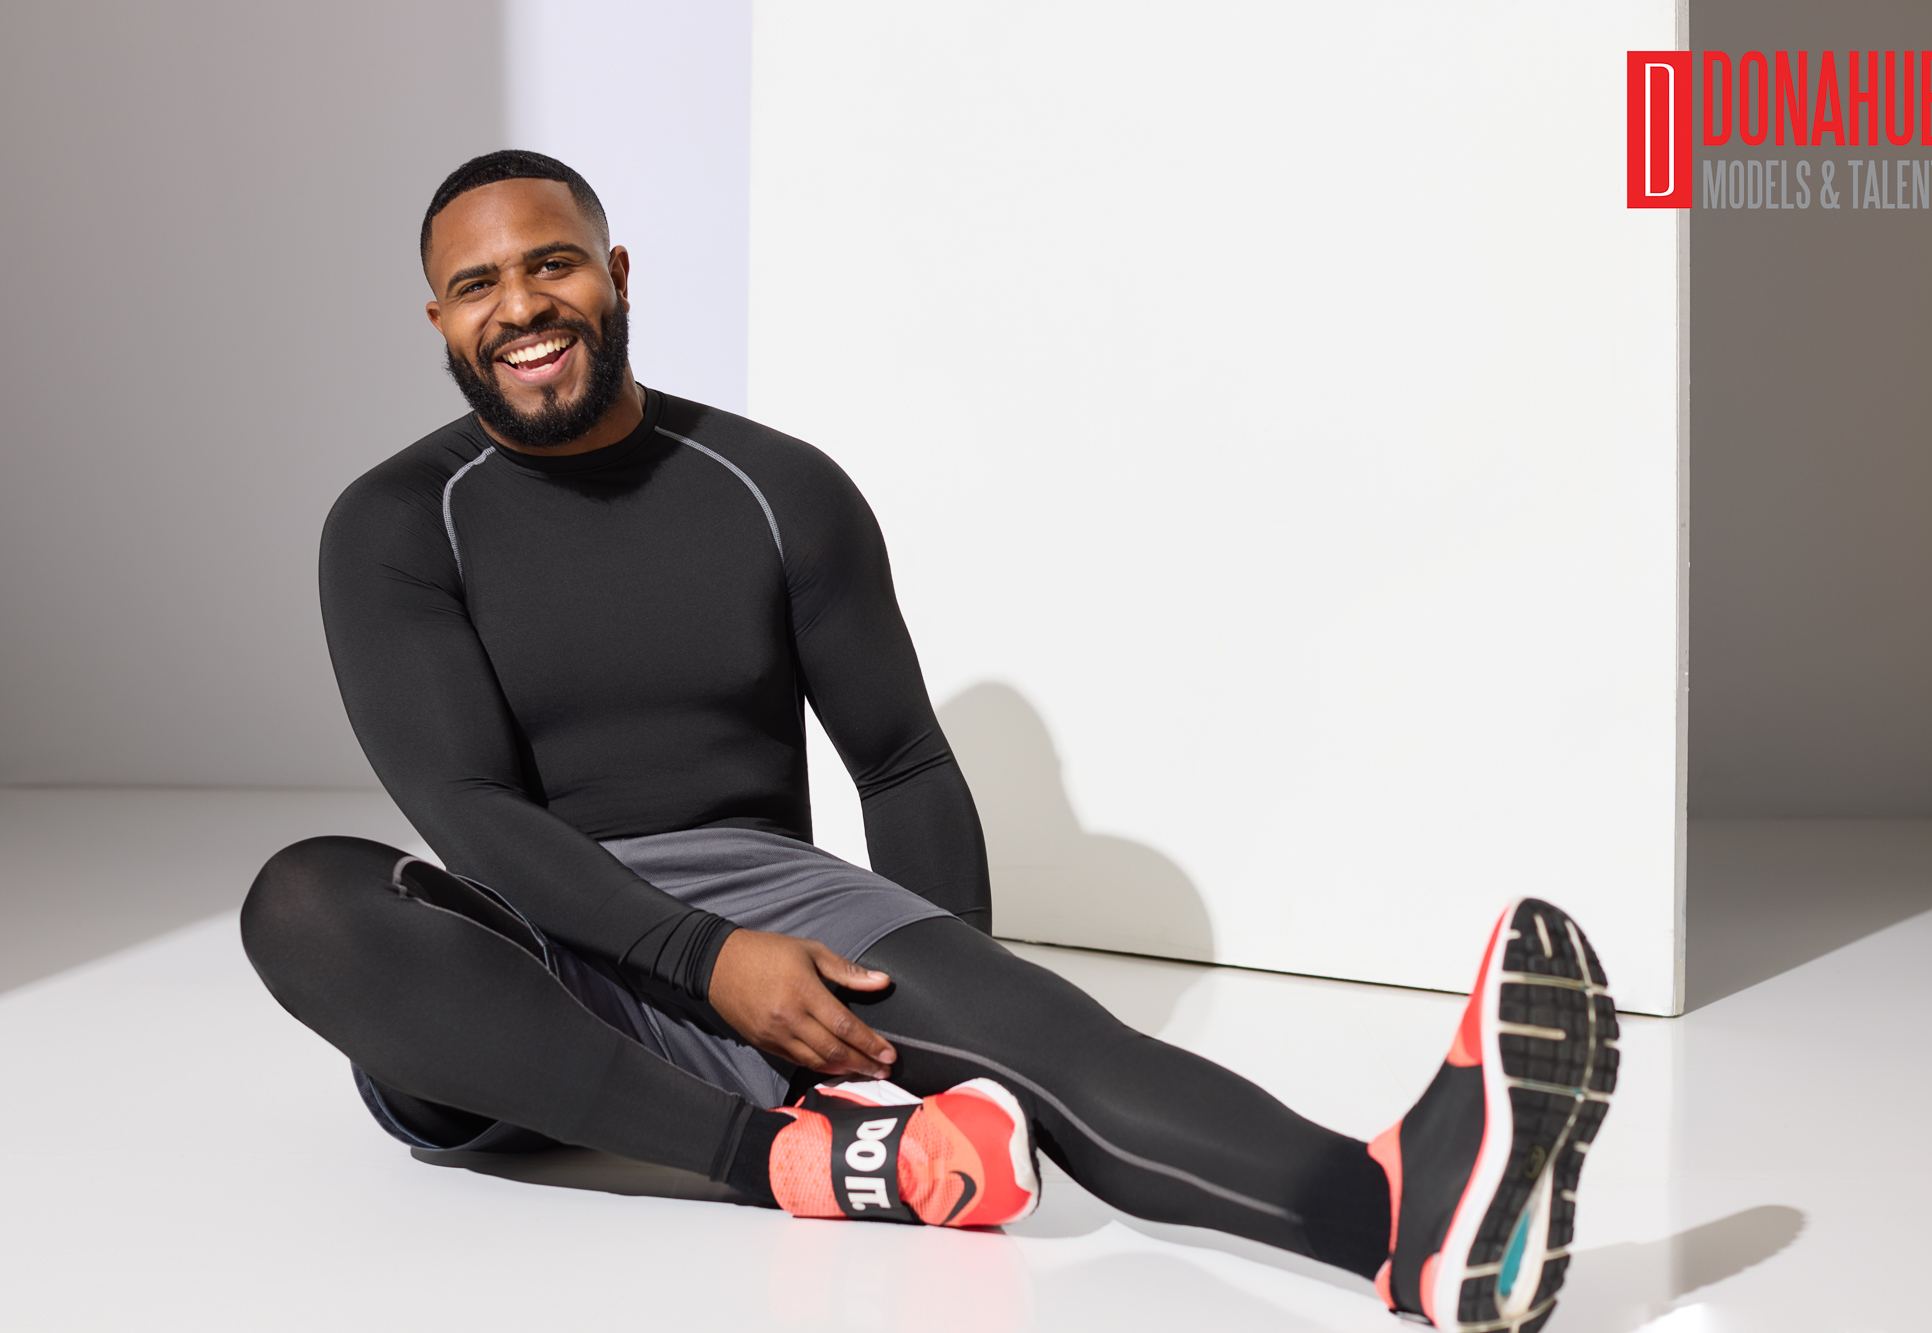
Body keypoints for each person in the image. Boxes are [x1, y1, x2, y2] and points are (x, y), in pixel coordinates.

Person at [240, 150, 1617, 1332]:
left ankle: (1403, 1214)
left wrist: (945, 1025)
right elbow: (468, 804)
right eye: (478, 284)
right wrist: (703, 961)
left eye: (553, 265)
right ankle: (778, 1159)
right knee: (308, 900)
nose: (522, 307)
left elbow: (899, 760)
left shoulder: (777, 487)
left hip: (778, 918)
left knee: (1061, 1042)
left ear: (617, 272)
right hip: (532, 961)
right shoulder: (396, 522)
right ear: (440, 316)